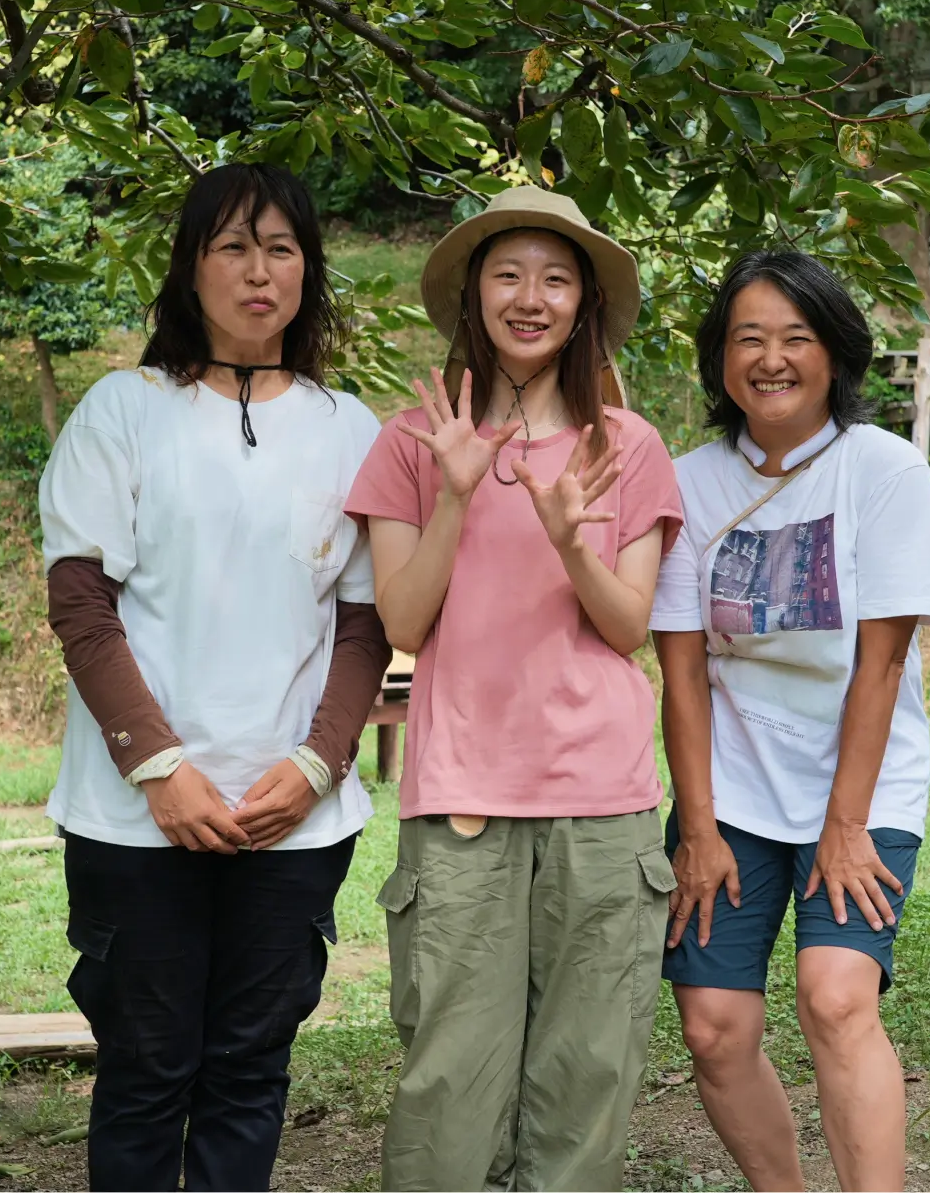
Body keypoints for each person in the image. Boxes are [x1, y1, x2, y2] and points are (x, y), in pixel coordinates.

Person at [37, 162, 391, 1192]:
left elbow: (365, 623)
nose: (258, 271)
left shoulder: (348, 427)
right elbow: (83, 605)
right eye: (232, 247)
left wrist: (320, 764)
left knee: (249, 1071)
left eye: (281, 248)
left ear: (308, 271)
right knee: (146, 1073)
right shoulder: (124, 409)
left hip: (292, 819)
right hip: (135, 816)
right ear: (191, 270)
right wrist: (159, 767)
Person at [343, 185, 684, 1192]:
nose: (530, 297)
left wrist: (573, 538)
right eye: (508, 273)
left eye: (555, 278)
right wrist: (454, 491)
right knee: (448, 1090)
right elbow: (403, 622)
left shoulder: (629, 446)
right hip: (461, 803)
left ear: (583, 304)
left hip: (603, 804)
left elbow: (629, 630)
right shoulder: (413, 439)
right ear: (473, 295)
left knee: (586, 1087)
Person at [649, 250, 930, 1192]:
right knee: (712, 1024)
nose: (771, 360)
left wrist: (846, 823)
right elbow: (683, 671)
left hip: (862, 782)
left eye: (796, 338)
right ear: (720, 359)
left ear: (836, 354)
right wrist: (696, 829)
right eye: (749, 340)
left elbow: (882, 661)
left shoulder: (885, 470)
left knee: (836, 994)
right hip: (733, 786)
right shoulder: (688, 482)